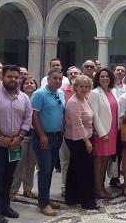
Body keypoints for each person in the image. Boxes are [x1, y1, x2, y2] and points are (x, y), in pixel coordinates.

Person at [0, 65, 33, 223]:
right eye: (10, 77)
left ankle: (5, 206)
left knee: (9, 177)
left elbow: (27, 118)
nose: (14, 80)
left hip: (15, 145)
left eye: (16, 77)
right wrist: (1, 139)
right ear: (2, 77)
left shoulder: (24, 98)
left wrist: (20, 137)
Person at [31, 68, 66, 216]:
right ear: (48, 78)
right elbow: (34, 115)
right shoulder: (39, 94)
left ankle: (45, 198)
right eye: (55, 78)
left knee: (50, 169)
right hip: (43, 137)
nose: (57, 81)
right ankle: (43, 204)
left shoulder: (61, 93)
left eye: (60, 78)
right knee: (44, 170)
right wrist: (42, 135)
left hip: (56, 137)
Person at [64, 75, 99, 210]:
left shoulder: (84, 99)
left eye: (87, 87)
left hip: (85, 136)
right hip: (77, 139)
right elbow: (77, 125)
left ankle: (72, 197)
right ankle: (88, 201)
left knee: (75, 168)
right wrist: (87, 142)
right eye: (81, 86)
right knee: (86, 170)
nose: (84, 89)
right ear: (75, 87)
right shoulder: (73, 102)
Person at [88, 68, 119, 199]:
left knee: (106, 160)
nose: (105, 78)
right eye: (102, 76)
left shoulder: (113, 91)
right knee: (99, 160)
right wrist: (102, 133)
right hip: (102, 133)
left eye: (107, 76)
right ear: (98, 79)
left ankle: (102, 186)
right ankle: (97, 188)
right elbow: (94, 114)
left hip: (112, 131)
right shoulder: (95, 93)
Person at [10, 77, 39, 201]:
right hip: (20, 137)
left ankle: (28, 189)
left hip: (34, 136)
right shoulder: (18, 98)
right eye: (26, 83)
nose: (29, 85)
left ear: (36, 86)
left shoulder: (39, 98)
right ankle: (12, 191)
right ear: (22, 86)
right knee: (17, 165)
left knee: (31, 165)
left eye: (32, 83)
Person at [57, 66, 80, 197]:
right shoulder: (61, 92)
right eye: (71, 73)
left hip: (82, 133)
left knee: (78, 160)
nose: (73, 75)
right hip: (66, 131)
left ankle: (76, 185)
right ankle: (65, 186)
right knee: (65, 160)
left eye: (76, 73)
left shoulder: (85, 91)